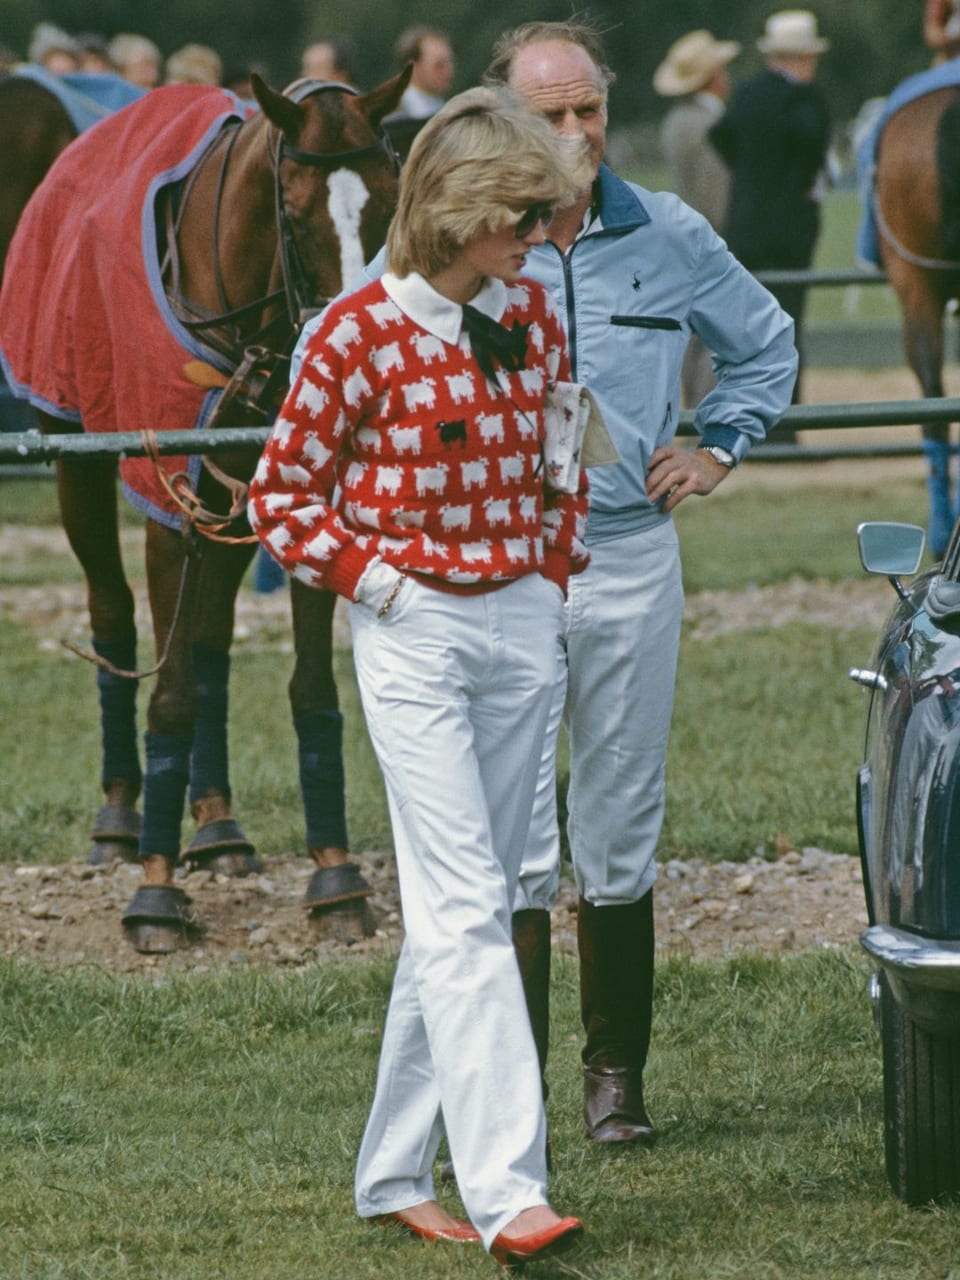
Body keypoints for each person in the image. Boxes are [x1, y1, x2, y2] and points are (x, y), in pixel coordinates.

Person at [248, 86, 590, 1265]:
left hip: (521, 625)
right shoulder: (350, 333)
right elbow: (279, 494)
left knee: (472, 907)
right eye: (521, 215)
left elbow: (560, 448)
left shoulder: (533, 311)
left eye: (545, 216)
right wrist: (383, 587)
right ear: (454, 211)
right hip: (415, 634)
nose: (538, 237)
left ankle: (394, 1168)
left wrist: (550, 567)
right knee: (461, 910)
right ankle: (508, 1190)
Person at [479, 20, 797, 1147]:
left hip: (628, 555)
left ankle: (616, 1076)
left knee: (620, 816)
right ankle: (503, 1085)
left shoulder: (667, 231)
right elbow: (367, 336)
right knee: (508, 827)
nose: (574, 132)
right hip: (502, 566)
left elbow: (766, 343)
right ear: (505, 117)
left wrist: (719, 442)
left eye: (589, 110)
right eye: (550, 113)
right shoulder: (462, 240)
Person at [709, 10, 831, 406]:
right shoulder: (806, 100)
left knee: (749, 325)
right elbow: (815, 150)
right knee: (788, 323)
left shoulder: (745, 93)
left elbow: (720, 135)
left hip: (745, 225)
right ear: (801, 58)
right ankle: (786, 420)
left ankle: (747, 411)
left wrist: (750, 179)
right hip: (791, 231)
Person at [654, 29, 740, 405]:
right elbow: (715, 195)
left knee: (692, 331)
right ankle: (705, 412)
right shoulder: (707, 125)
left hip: (684, 235)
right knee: (711, 331)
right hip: (710, 236)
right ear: (713, 77)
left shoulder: (679, 120)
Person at [391, 25, 455, 118]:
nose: (449, 72)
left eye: (449, 63)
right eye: (439, 65)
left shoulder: (445, 110)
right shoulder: (394, 116)